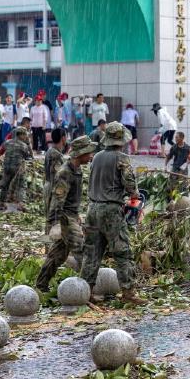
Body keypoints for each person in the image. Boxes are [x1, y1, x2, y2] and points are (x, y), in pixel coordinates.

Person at [81, 122, 145, 305]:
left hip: (92, 209)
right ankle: (128, 293)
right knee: (122, 252)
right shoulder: (121, 158)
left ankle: (86, 292)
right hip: (111, 210)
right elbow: (131, 187)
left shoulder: (96, 157)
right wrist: (134, 195)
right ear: (121, 140)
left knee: (92, 253)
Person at [36, 136, 97, 292]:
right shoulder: (65, 172)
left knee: (57, 255)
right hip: (64, 218)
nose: (91, 156)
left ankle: (41, 285)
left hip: (71, 215)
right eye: (88, 152)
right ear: (80, 154)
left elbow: (72, 198)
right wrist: (55, 224)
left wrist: (76, 214)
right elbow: (57, 199)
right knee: (82, 252)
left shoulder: (77, 170)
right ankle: (86, 291)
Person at [0, 126, 33, 211]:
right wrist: (29, 144)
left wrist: (0, 160)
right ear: (20, 135)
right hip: (18, 169)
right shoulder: (23, 145)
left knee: (5, 185)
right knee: (22, 185)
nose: (26, 137)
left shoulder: (6, 143)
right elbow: (30, 157)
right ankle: (21, 204)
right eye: (25, 135)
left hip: (7, 168)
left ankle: (2, 204)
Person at [44, 128, 67, 245]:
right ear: (63, 138)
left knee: (50, 218)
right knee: (54, 219)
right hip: (54, 189)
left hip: (49, 186)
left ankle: (48, 246)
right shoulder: (55, 154)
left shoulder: (51, 151)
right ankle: (50, 246)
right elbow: (58, 176)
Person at [164, 131, 190, 195]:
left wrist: (186, 163)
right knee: (171, 186)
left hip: (183, 170)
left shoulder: (188, 148)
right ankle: (171, 199)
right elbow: (168, 157)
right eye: (175, 137)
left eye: (177, 137)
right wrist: (165, 166)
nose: (175, 139)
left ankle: (184, 200)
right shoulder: (174, 147)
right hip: (174, 169)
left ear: (182, 138)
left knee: (183, 186)